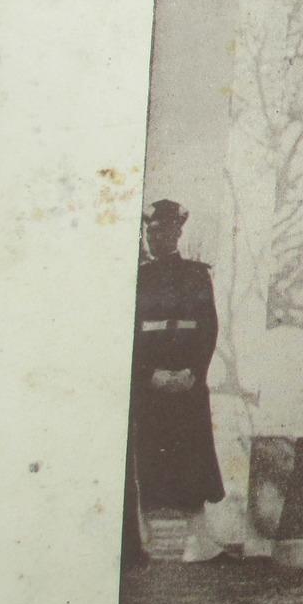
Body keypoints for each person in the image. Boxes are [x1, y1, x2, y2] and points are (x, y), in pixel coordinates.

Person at [126, 199, 227, 565]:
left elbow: (208, 329)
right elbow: (128, 333)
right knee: (146, 460)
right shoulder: (134, 276)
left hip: (186, 381)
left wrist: (192, 373)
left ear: (178, 232)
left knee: (192, 457)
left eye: (165, 230)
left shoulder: (196, 275)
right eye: (151, 231)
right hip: (147, 383)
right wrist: (148, 375)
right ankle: (142, 541)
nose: (157, 237)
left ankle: (199, 541)